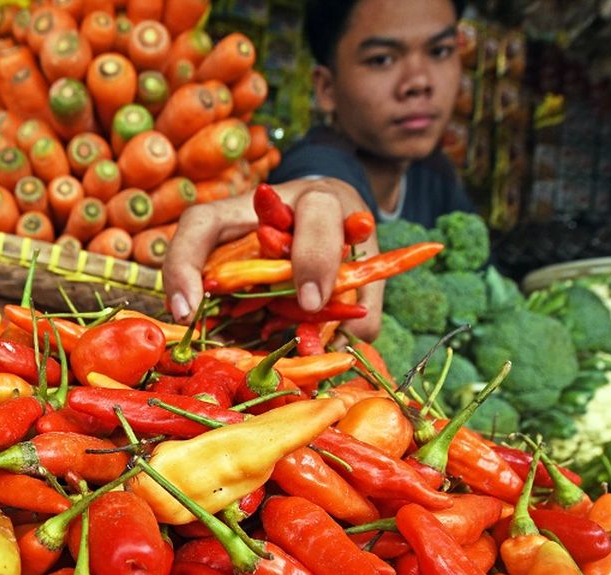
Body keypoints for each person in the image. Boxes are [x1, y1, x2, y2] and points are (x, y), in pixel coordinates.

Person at [163, 0, 470, 340]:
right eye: (382, 59)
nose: (419, 81)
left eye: (440, 51)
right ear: (325, 88)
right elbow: (320, 185)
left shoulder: (438, 175)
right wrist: (323, 193)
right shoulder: (317, 159)